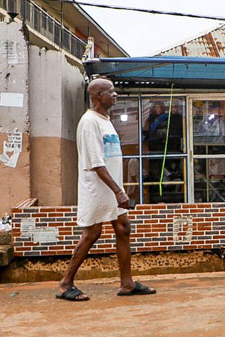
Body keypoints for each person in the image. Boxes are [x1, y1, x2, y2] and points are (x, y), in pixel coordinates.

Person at [57, 78, 156, 301]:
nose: (115, 95)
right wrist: (118, 191)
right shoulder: (89, 122)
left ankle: (127, 284)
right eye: (110, 92)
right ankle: (65, 284)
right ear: (98, 96)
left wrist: (118, 189)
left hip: (111, 188)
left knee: (123, 228)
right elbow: (96, 163)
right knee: (92, 233)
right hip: (97, 189)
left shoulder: (105, 121)